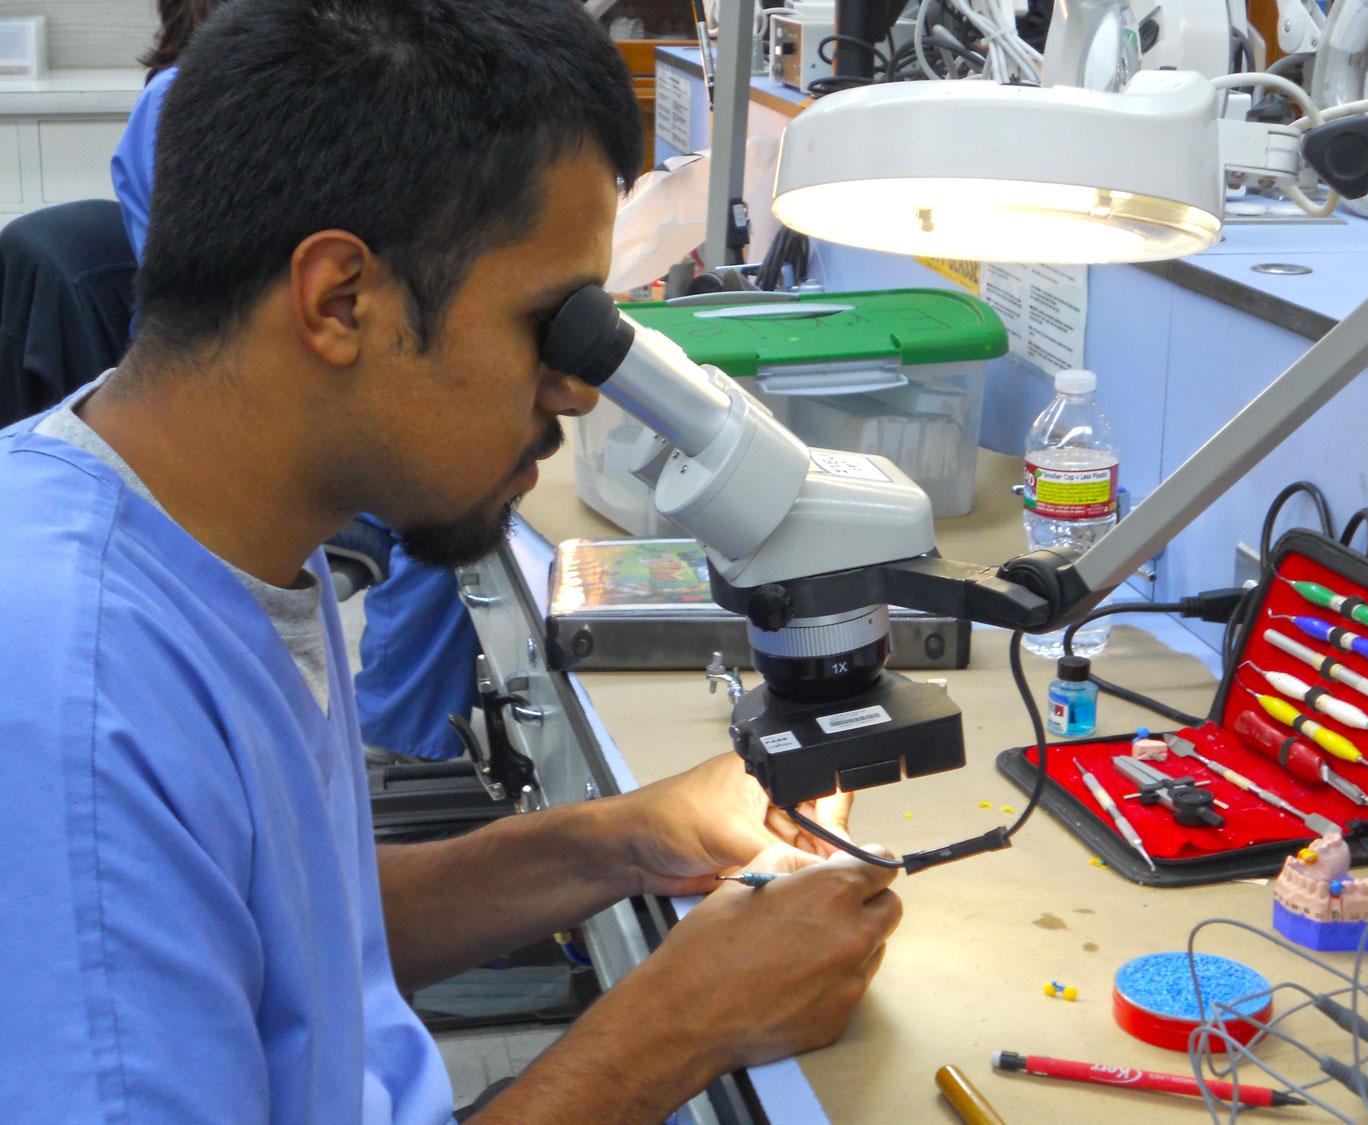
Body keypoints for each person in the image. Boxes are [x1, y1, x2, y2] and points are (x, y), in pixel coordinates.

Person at [0, 0, 902, 1121]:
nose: (576, 390)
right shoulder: (71, 708)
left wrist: (619, 839)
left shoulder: (222, 532)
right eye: (550, 321)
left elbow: (283, 930)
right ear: (343, 300)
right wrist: (682, 1024)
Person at [114, 0, 481, 765]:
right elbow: (292, 306)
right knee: (459, 495)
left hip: (287, 391)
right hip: (251, 422)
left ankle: (403, 739)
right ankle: (402, 747)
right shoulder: (197, 107)